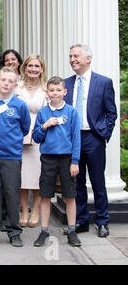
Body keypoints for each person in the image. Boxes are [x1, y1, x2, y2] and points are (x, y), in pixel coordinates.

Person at [64, 44, 117, 237]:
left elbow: (111, 112)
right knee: (76, 182)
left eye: (76, 56)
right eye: (70, 56)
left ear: (88, 58)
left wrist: (102, 132)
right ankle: (81, 220)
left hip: (93, 138)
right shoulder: (66, 84)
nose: (72, 59)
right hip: (72, 139)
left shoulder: (103, 82)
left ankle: (103, 222)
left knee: (97, 182)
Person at [0, 67, 31, 248]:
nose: (6, 84)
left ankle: (14, 232)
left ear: (15, 85)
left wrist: (12, 143)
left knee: (11, 195)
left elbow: (25, 128)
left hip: (12, 157)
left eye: (11, 81)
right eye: (4, 80)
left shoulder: (20, 105)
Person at [32, 76, 82, 247]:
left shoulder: (72, 112)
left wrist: (75, 161)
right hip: (48, 158)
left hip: (67, 158)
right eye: (52, 90)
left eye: (58, 90)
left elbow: (76, 138)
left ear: (65, 92)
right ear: (47, 92)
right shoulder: (43, 113)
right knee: (45, 195)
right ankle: (44, 231)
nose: (55, 93)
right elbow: (36, 138)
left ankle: (72, 230)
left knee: (70, 195)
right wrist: (45, 125)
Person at [16, 54, 49, 228]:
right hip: (20, 136)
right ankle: (24, 209)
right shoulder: (17, 88)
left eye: (37, 66)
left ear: (42, 69)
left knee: (37, 176)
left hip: (41, 135)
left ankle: (35, 211)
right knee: (22, 177)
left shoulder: (46, 89)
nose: (33, 69)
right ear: (25, 67)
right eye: (30, 66)